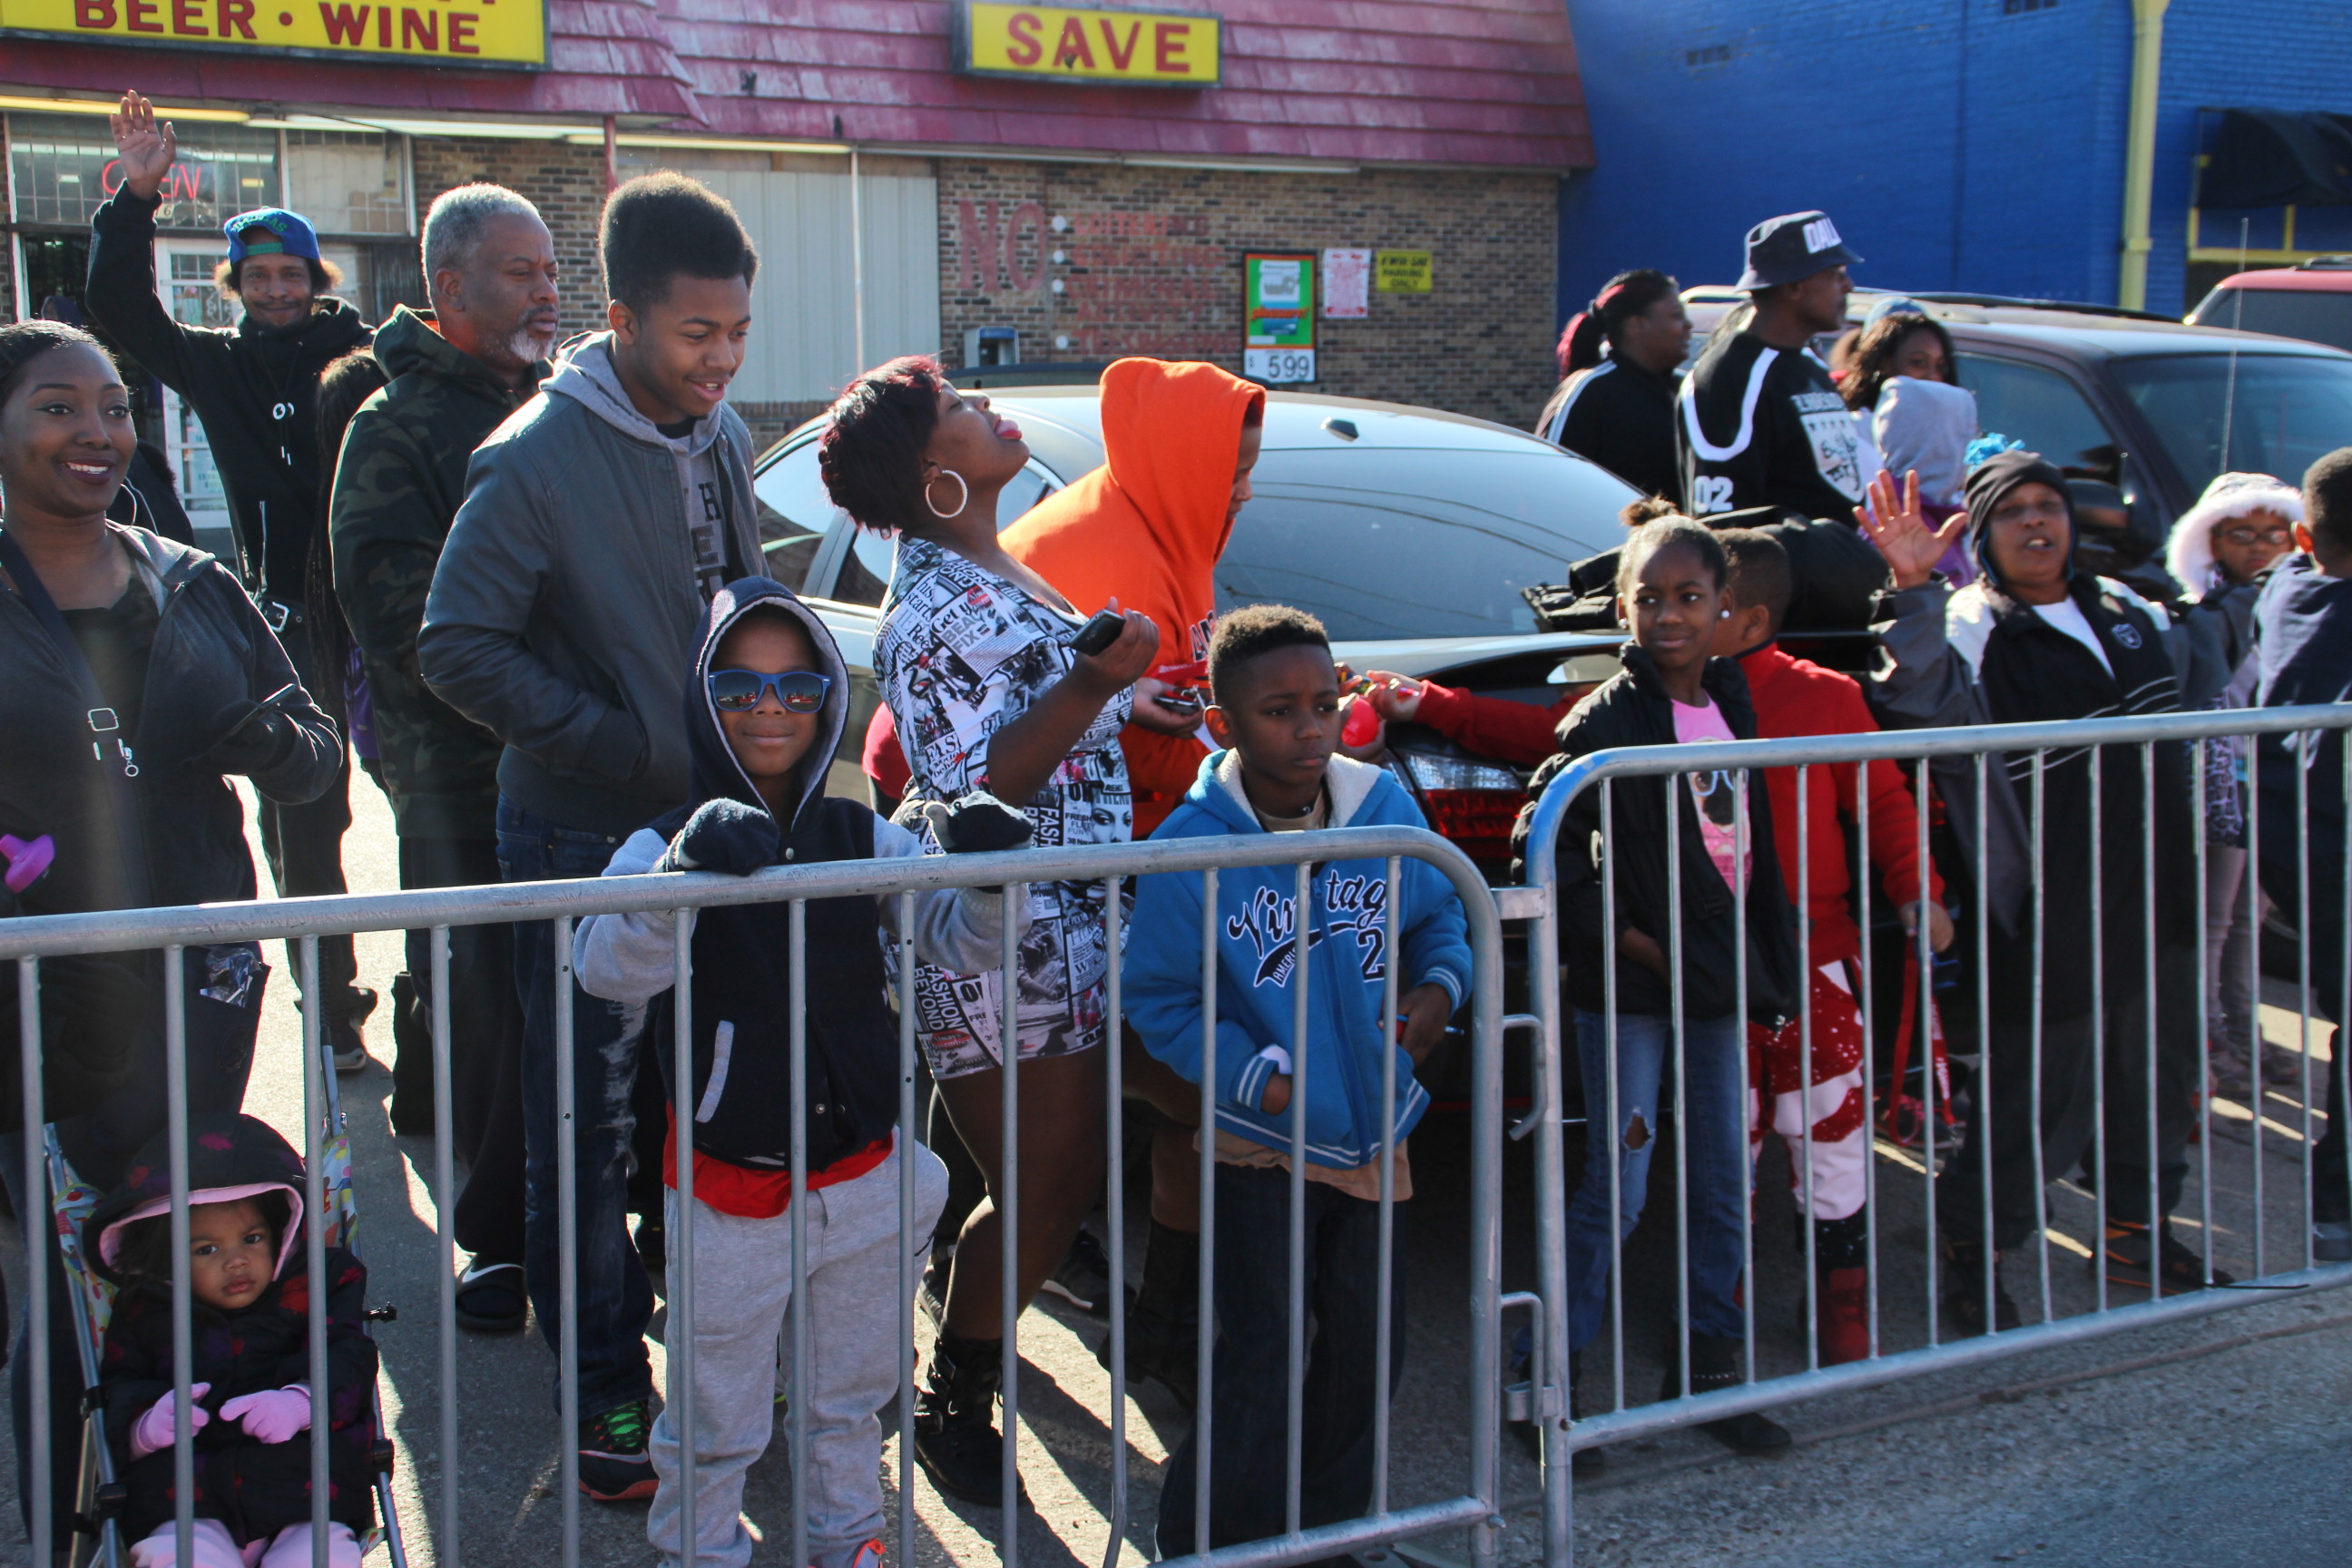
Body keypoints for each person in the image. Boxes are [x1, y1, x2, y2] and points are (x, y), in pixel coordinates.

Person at [416, 172, 761, 1499]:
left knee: (701, 1099)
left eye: (737, 334)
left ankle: (712, 1350)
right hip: (572, 838)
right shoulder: (534, 454)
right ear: (620, 317)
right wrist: (625, 742)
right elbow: (456, 646)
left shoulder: (721, 431)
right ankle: (605, 1390)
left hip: (710, 831)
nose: (722, 361)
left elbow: (738, 595)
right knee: (591, 1124)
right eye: (696, 337)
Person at [573, 576, 1024, 1568]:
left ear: (829, 697)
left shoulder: (860, 831)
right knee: (715, 1411)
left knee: (851, 1397)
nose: (768, 710)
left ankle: (846, 1542)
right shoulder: (662, 840)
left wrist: (989, 882)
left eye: (795, 688)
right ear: (703, 699)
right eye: (739, 688)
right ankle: (699, 1550)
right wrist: (677, 881)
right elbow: (607, 967)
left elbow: (958, 942)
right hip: (730, 1189)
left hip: (864, 1176)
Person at [0, 320, 341, 1530]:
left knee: (181, 1241)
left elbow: (317, 759)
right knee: (50, 1272)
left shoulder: (189, 583)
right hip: (34, 989)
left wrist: (269, 746)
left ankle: (191, 1503)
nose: (93, 432)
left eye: (112, 408)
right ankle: (55, 1510)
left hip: (199, 978)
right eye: (55, 406)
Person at [818, 356, 1161, 1503]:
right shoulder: (929, 610)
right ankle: (954, 1391)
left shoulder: (987, 563)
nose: (987, 411)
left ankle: (960, 1332)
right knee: (1049, 1183)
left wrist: (1121, 692)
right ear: (931, 474)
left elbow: (1028, 705)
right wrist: (1088, 684)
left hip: (1067, 918)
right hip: (1003, 930)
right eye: (958, 410)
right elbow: (970, 789)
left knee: (1053, 1177)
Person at [1122, 603, 1469, 1557]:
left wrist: (1438, 992)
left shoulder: (1382, 807)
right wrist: (1252, 1080)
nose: (1309, 727)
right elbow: (1157, 997)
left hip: (1373, 1133)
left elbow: (1442, 917)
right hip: (1259, 1142)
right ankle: (1208, 1544)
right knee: (1261, 1358)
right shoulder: (1192, 845)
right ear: (1224, 724)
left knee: (1366, 1353)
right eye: (1279, 710)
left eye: (1324, 704)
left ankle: (1333, 1537)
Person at [1862, 458, 2220, 1328]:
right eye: (2013, 512)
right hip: (2047, 905)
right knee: (2033, 1094)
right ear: (1983, 536)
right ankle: (1974, 1255)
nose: (2035, 525)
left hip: (2157, 892)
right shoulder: (1970, 624)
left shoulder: (2130, 610)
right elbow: (1918, 711)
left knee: (2155, 1075)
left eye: (2048, 507)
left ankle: (2139, 1233)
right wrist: (1910, 586)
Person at [997, 355, 1265, 1405]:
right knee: (1060, 1140)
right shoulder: (1099, 555)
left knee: (1170, 1108)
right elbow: (1104, 740)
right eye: (1229, 466)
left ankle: (1161, 1329)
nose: (1244, 489)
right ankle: (967, 1368)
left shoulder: (1163, 530)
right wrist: (1254, 737)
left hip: (1125, 887)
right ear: (1180, 460)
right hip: (1052, 896)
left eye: (1250, 467)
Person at [89, 91, 377, 1064]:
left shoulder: (362, 354)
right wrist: (134, 199)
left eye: (290, 274)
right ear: (236, 285)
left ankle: (443, 1000)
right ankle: (330, 1005)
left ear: (313, 277)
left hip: (376, 610)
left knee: (423, 806)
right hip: (285, 621)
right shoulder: (215, 366)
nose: (275, 291)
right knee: (306, 818)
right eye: (257, 276)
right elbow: (120, 308)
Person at [1514, 518, 1801, 1457]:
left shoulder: (1732, 699)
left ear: (1727, 607)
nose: (1669, 615)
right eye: (1649, 598)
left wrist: (1769, 962)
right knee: (1618, 1190)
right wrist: (1641, 947)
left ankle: (1712, 1378)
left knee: (1728, 1182)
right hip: (1631, 993)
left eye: (1689, 597)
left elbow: (1747, 852)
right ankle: (1551, 1389)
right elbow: (1544, 845)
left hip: (1715, 988)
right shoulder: (1600, 721)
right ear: (1622, 608)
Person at [331, 182, 561, 1333]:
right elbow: (407, 626)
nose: (546, 291)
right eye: (520, 272)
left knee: (592, 996)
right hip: (462, 778)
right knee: (487, 1005)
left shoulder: (572, 408)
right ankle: (500, 1241)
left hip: (584, 771)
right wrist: (564, 692)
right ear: (450, 289)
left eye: (550, 269)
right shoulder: (396, 429)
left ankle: (596, 1218)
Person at [1707, 530, 1950, 1365]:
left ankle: (1841, 1315)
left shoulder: (1829, 695)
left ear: (1748, 615)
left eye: (1701, 597)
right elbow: (1547, 734)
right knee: (1720, 1144)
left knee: (1834, 1142)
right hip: (1712, 968)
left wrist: (1918, 888)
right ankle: (1719, 1313)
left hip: (1817, 961)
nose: (1678, 614)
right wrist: (1435, 706)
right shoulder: (1663, 693)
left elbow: (1883, 802)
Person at [91, 1113, 378, 1568]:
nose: (236, 1261)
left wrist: (301, 1402)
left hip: (304, 1488)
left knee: (320, 1557)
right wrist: (144, 1426)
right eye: (207, 1249)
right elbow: (117, 1383)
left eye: (252, 1238)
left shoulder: (317, 1286)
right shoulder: (146, 1310)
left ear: (281, 1234)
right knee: (178, 1555)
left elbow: (351, 1358)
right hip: (185, 1496)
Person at [2164, 472, 2304, 1096]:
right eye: (2241, 534)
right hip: (2220, 777)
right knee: (2214, 915)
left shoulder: (2299, 602)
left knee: (2253, 909)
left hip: (2270, 775)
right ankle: (2207, 1034)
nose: (2259, 547)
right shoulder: (2205, 610)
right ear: (2210, 542)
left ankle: (2244, 1024)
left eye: (2275, 534)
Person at [2249, 447, 2352, 1265]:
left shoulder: (2286, 590)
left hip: (2294, 856)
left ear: (2305, 537)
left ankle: (2336, 1207)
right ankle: (2338, 1207)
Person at [1681, 211, 1868, 521]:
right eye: (1836, 273)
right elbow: (1723, 527)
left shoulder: (1810, 366)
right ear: (1794, 287)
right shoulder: (1729, 375)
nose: (1849, 285)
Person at [1537, 270, 1691, 505]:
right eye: (1676, 315)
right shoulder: (1589, 390)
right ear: (1637, 325)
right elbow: (1550, 482)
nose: (1688, 325)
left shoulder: (1687, 389)